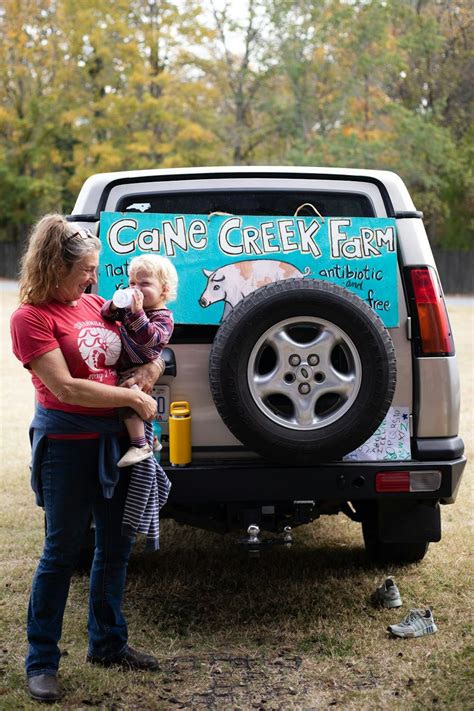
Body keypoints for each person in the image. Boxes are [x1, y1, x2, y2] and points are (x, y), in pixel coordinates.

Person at [10, 214, 168, 703]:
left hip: (118, 444)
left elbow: (145, 349)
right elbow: (64, 387)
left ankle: (108, 643)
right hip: (68, 447)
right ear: (55, 266)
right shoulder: (31, 318)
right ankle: (41, 661)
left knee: (116, 548)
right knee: (62, 552)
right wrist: (133, 401)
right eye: (86, 270)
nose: (95, 279)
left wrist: (150, 370)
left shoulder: (97, 305)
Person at [101, 254, 177, 468]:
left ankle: (139, 444)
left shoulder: (164, 317)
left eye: (144, 284)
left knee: (130, 404)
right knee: (132, 405)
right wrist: (115, 306)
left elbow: (149, 338)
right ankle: (151, 439)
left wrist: (137, 312)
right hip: (124, 364)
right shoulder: (129, 310)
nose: (136, 289)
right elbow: (105, 314)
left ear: (164, 290)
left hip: (137, 368)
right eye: (132, 283)